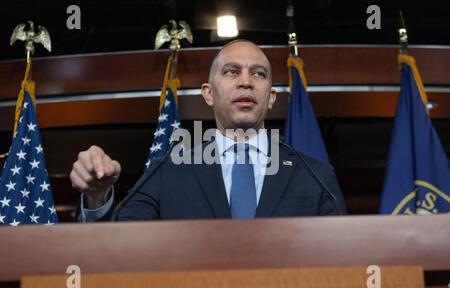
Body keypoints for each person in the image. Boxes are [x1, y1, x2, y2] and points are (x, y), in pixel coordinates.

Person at [70, 40, 347, 222]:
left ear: (271, 97)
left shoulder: (315, 177)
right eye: (231, 71)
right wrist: (98, 196)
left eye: (259, 74)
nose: (246, 82)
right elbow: (119, 244)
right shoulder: (168, 171)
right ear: (208, 93)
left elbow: (342, 260)